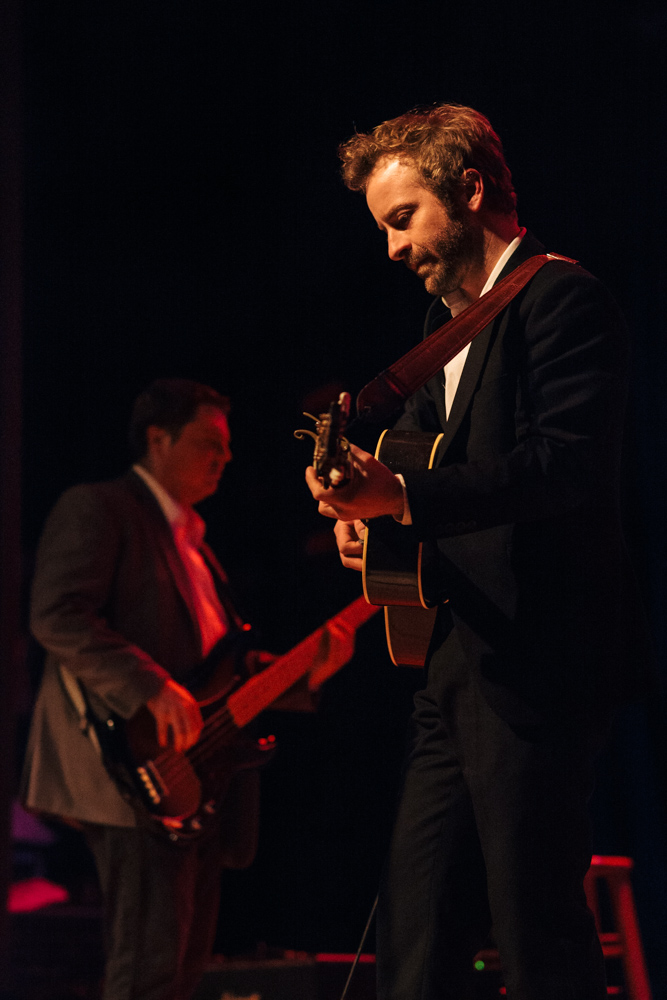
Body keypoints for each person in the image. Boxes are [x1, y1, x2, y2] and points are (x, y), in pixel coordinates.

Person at [305, 104, 650, 1000]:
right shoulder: (441, 331)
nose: (389, 249)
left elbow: (564, 467)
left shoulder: (560, 299)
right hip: (453, 664)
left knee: (535, 934)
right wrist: (365, 519)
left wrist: (402, 498)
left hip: (536, 663)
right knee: (416, 936)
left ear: (468, 190)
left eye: (400, 219)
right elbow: (410, 484)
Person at [22, 378, 354, 1000]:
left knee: (180, 969)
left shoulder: (194, 542)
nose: (225, 459)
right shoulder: (100, 507)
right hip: (127, 770)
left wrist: (309, 669)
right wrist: (151, 687)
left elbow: (219, 673)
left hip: (194, 777)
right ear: (157, 439)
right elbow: (56, 616)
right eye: (209, 443)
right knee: (149, 969)